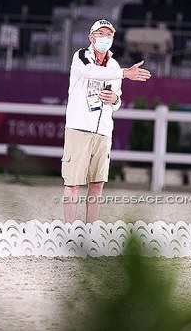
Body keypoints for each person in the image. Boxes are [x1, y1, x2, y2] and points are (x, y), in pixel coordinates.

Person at [61, 19, 151, 224]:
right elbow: (91, 72)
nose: (105, 38)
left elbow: (117, 100)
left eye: (109, 35)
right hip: (79, 128)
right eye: (101, 34)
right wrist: (125, 73)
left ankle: (90, 231)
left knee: (97, 184)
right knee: (73, 184)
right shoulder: (81, 55)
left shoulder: (114, 65)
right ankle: (68, 232)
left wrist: (115, 99)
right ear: (91, 37)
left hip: (103, 131)